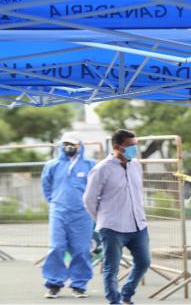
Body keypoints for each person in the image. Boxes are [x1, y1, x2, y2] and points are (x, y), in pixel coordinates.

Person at [83, 129, 150, 305]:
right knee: (111, 268)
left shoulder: (136, 165)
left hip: (138, 226)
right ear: (116, 146)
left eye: (135, 145)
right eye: (130, 146)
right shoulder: (102, 169)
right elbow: (89, 200)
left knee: (144, 262)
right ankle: (114, 301)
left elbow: (137, 193)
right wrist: (102, 221)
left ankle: (126, 294)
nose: (134, 149)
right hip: (113, 228)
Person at [40, 131, 96, 299]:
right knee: (56, 247)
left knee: (81, 250)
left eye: (72, 144)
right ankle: (54, 284)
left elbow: (96, 188)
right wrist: (54, 201)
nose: (68, 147)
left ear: (80, 146)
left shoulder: (90, 164)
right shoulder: (52, 165)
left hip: (82, 214)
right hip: (58, 211)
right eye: (65, 144)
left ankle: (79, 285)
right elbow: (46, 185)